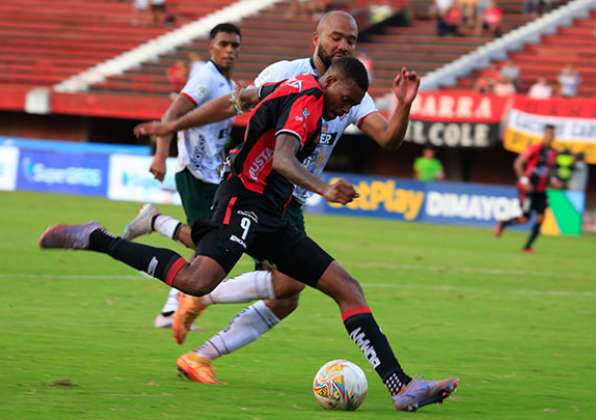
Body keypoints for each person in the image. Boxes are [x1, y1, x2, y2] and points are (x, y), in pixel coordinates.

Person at [39, 57, 459, 412]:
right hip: (243, 201)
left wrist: (403, 104)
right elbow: (281, 159)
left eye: (350, 106)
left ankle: (400, 386)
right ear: (329, 80)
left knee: (346, 287)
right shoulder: (308, 101)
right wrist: (323, 186)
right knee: (196, 279)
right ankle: (99, 239)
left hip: (272, 214)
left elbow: (250, 98)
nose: (341, 112)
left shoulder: (300, 87)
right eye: (344, 101)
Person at [130, 11, 425, 385]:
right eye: (336, 37)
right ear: (315, 37)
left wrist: (403, 105)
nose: (343, 46)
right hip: (257, 191)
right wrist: (171, 127)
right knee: (286, 284)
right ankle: (200, 302)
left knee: (285, 294)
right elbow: (232, 103)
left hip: (290, 200)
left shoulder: (349, 89)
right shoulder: (286, 73)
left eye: (351, 40)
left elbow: (387, 138)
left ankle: (198, 343)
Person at [136, 23, 241, 329]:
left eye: (234, 45)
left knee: (203, 245)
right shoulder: (205, 78)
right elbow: (171, 116)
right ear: (211, 47)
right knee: (205, 243)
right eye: (223, 44)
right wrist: (160, 155)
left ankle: (171, 309)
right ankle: (154, 221)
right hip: (193, 172)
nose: (229, 50)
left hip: (211, 173)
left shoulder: (225, 82)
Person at [495, 124, 561, 252]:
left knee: (542, 218)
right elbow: (518, 163)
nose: (550, 137)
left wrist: (554, 181)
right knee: (525, 219)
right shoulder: (535, 149)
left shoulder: (554, 153)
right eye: (548, 134)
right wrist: (524, 181)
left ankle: (527, 246)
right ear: (544, 135)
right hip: (528, 190)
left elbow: (550, 172)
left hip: (541, 190)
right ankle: (504, 223)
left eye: (552, 135)